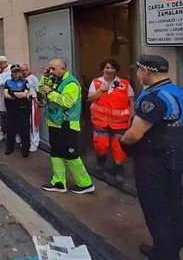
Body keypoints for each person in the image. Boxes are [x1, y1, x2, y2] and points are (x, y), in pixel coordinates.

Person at [121, 55, 183, 260]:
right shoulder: (178, 92)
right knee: (173, 207)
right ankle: (170, 253)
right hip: (175, 157)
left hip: (154, 163)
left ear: (146, 71)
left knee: (157, 213)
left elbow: (135, 134)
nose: (138, 74)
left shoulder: (153, 98)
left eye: (139, 69)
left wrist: (123, 141)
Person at [39, 58, 95, 195]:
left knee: (71, 155)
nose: (50, 71)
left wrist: (50, 92)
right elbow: (41, 90)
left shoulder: (71, 83)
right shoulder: (53, 80)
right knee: (56, 152)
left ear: (63, 69)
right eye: (49, 68)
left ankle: (85, 184)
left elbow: (67, 102)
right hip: (54, 123)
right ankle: (59, 182)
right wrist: (44, 77)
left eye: (53, 69)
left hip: (67, 125)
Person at [88, 58, 135, 183]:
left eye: (112, 68)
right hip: (100, 122)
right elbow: (91, 99)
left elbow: (131, 101)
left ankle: (118, 169)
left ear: (116, 70)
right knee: (101, 145)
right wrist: (101, 90)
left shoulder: (125, 83)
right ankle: (100, 163)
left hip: (120, 123)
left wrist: (131, 118)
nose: (109, 70)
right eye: (107, 67)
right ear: (103, 69)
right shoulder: (96, 82)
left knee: (119, 148)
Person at [3, 64, 31, 157]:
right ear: (11, 73)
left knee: (24, 130)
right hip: (11, 109)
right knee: (11, 129)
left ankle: (25, 150)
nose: (16, 73)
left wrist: (13, 93)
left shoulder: (24, 81)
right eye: (15, 72)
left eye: (18, 71)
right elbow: (6, 95)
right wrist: (17, 95)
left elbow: (24, 94)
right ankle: (9, 148)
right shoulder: (8, 82)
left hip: (23, 109)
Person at [21, 64, 41, 152]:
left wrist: (39, 101)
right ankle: (27, 141)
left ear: (28, 69)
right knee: (26, 123)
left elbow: (38, 90)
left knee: (34, 123)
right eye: (22, 70)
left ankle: (35, 143)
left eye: (25, 70)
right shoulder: (22, 80)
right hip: (25, 103)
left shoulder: (33, 78)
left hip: (32, 102)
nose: (24, 71)